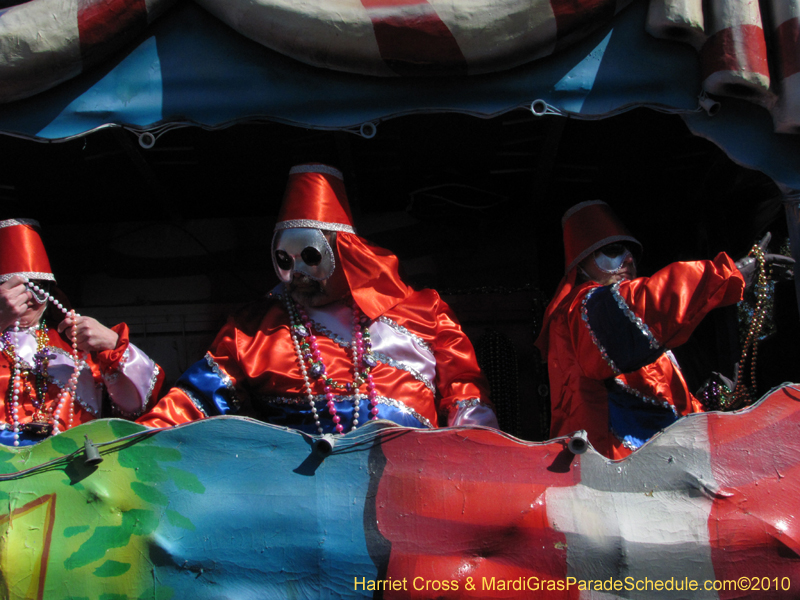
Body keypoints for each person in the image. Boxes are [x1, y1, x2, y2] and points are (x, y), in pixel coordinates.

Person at [139, 164, 497, 434]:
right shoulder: (252, 330)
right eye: (284, 261)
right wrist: (130, 445)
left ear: (345, 252)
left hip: (411, 491)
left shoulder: (423, 310)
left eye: (310, 256)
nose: (297, 274)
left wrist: (476, 459)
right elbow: (192, 401)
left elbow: (468, 400)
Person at [534, 200, 794, 459]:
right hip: (610, 472)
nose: (628, 260)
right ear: (581, 266)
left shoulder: (628, 328)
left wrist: (707, 405)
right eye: (613, 251)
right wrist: (727, 274)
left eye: (631, 254)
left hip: (655, 469)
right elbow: (651, 302)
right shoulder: (582, 309)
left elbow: (655, 403)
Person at [0, 218, 164, 446]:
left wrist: (113, 344)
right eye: (15, 288)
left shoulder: (77, 345)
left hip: (74, 467)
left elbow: (139, 407)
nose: (27, 298)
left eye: (37, 287)